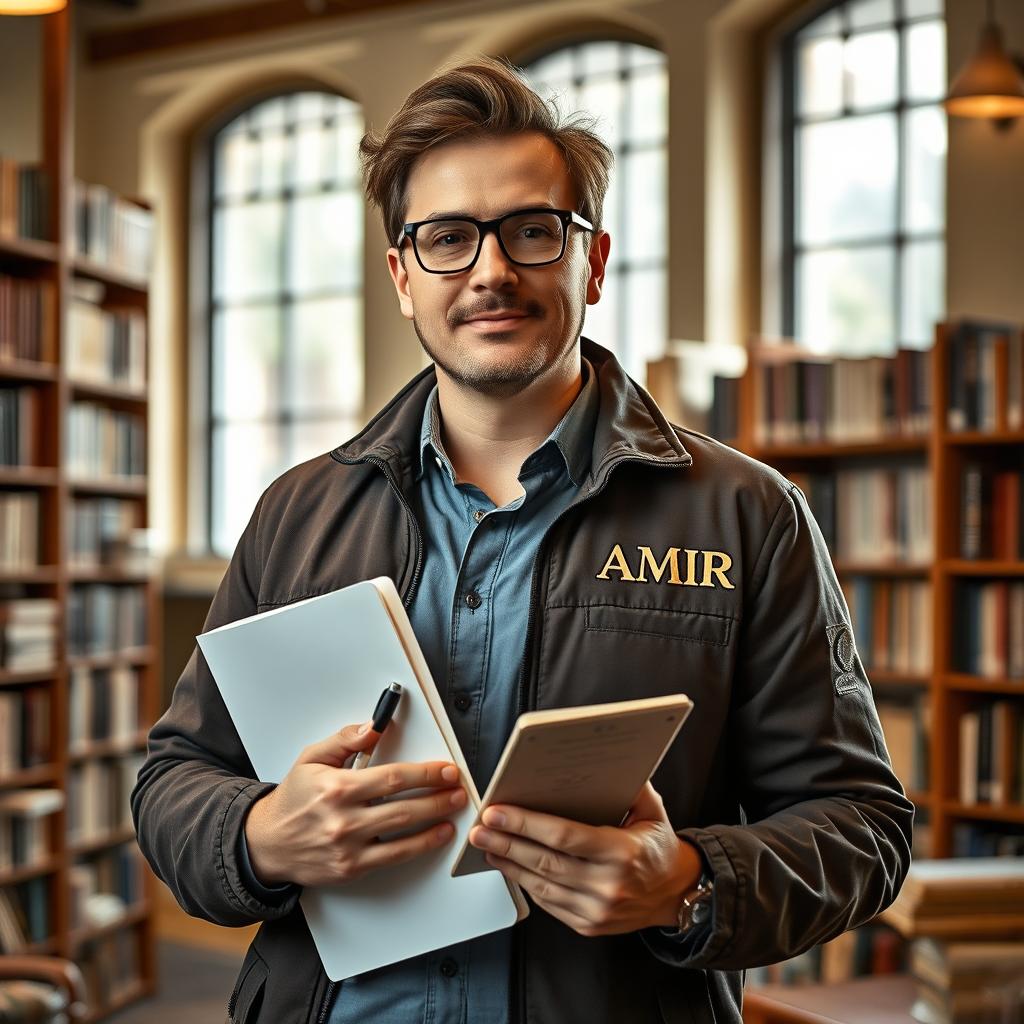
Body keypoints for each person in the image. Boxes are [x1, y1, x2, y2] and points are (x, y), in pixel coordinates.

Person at [132, 56, 913, 1024]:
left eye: (531, 232)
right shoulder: (296, 511)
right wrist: (256, 835)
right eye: (448, 239)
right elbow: (173, 779)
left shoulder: (747, 513)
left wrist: (684, 883)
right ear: (402, 277)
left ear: (590, 258)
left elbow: (862, 828)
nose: (491, 271)